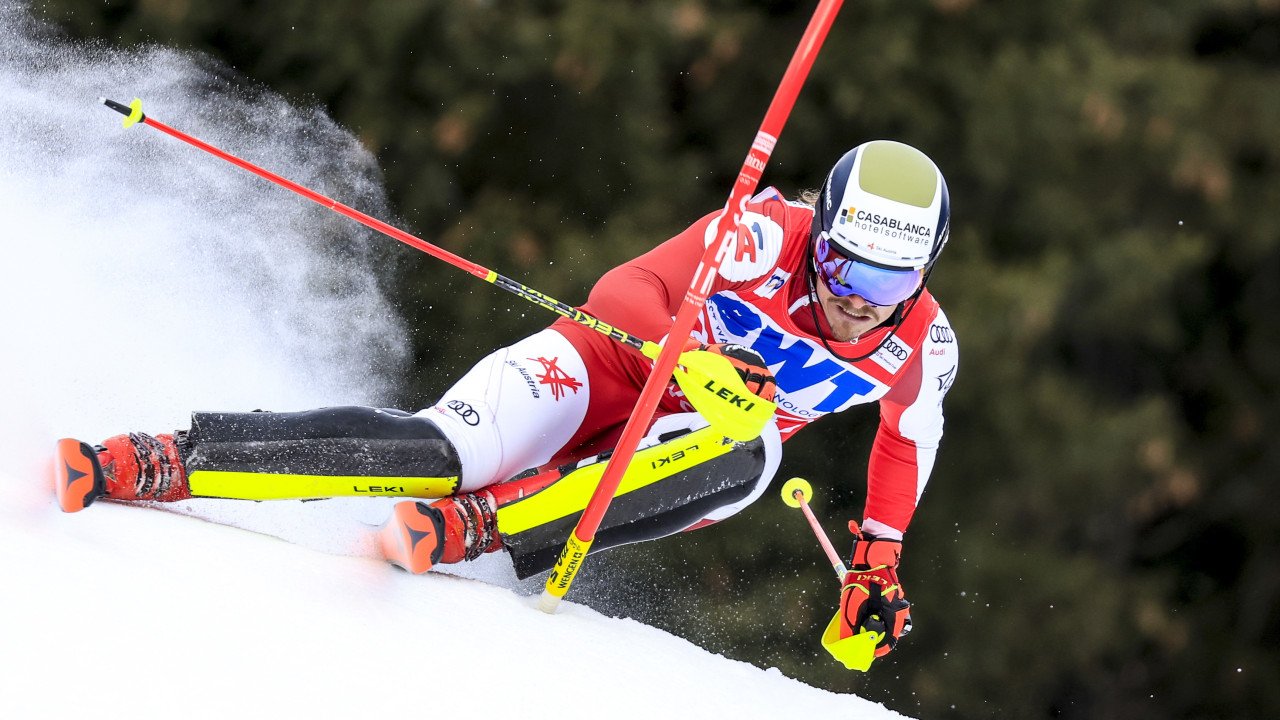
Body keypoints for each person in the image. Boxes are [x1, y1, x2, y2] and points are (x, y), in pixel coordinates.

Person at [55, 139, 958, 663]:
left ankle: (476, 529)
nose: (859, 297)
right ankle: (160, 460)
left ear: (925, 270)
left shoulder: (925, 342)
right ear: (824, 229)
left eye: (892, 279)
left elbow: (904, 444)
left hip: (678, 460)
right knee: (432, 452)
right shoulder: (762, 235)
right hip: (602, 372)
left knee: (753, 451)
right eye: (845, 263)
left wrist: (875, 566)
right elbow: (624, 290)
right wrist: (688, 363)